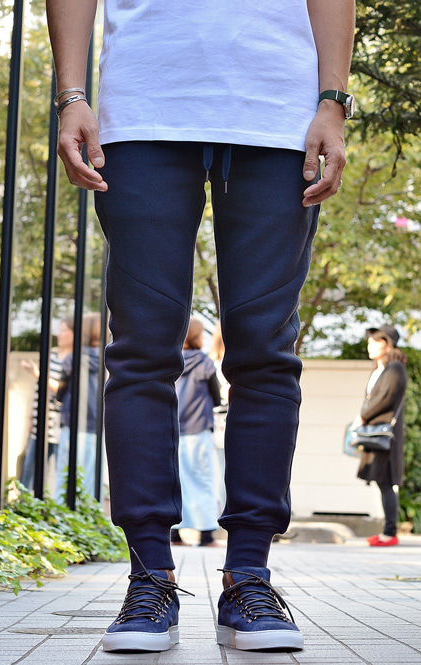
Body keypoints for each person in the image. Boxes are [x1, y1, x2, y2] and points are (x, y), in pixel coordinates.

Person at [46, 0, 355, 652]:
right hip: (144, 105)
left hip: (277, 111)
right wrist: (71, 95)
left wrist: (333, 101)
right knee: (140, 350)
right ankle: (149, 577)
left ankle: (249, 576)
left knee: (266, 351)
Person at [351, 324, 407, 547]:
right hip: (376, 434)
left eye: (374, 342)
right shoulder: (380, 369)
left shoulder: (395, 368)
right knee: (382, 482)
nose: (369, 346)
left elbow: (386, 398)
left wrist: (362, 416)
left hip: (384, 435)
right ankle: (387, 531)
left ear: (387, 344)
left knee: (386, 482)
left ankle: (390, 533)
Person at [171, 317, 221, 547]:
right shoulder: (204, 363)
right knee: (203, 479)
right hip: (199, 429)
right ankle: (206, 534)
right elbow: (216, 397)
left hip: (173, 429)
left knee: (176, 481)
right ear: (197, 337)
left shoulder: (172, 361)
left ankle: (174, 534)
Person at [20, 318, 74, 491]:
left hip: (58, 427)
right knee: (29, 475)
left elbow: (61, 390)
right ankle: (23, 505)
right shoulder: (51, 356)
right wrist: (31, 418)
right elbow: (38, 390)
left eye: (64, 330)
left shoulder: (73, 360)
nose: (60, 334)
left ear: (74, 334)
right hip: (39, 425)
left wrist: (37, 374)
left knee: (59, 478)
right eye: (60, 330)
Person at [55, 313, 101, 502]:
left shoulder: (73, 359)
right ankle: (88, 515)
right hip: (96, 427)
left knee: (64, 479)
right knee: (91, 481)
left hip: (73, 425)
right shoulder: (108, 360)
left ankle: (61, 516)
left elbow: (60, 391)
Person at [209, 322, 229, 511]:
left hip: (216, 425)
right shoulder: (227, 365)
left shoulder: (211, 364)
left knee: (223, 471)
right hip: (227, 421)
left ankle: (225, 512)